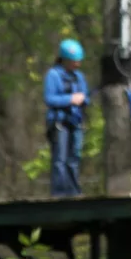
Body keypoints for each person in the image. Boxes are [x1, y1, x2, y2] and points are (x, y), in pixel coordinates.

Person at [43, 38, 91, 197]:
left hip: (76, 122)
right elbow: (49, 99)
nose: (77, 64)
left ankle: (74, 191)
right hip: (60, 123)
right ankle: (59, 193)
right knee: (60, 160)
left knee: (74, 158)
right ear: (64, 59)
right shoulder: (53, 75)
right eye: (73, 61)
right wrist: (70, 99)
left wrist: (83, 100)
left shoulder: (79, 76)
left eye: (78, 61)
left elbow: (85, 96)